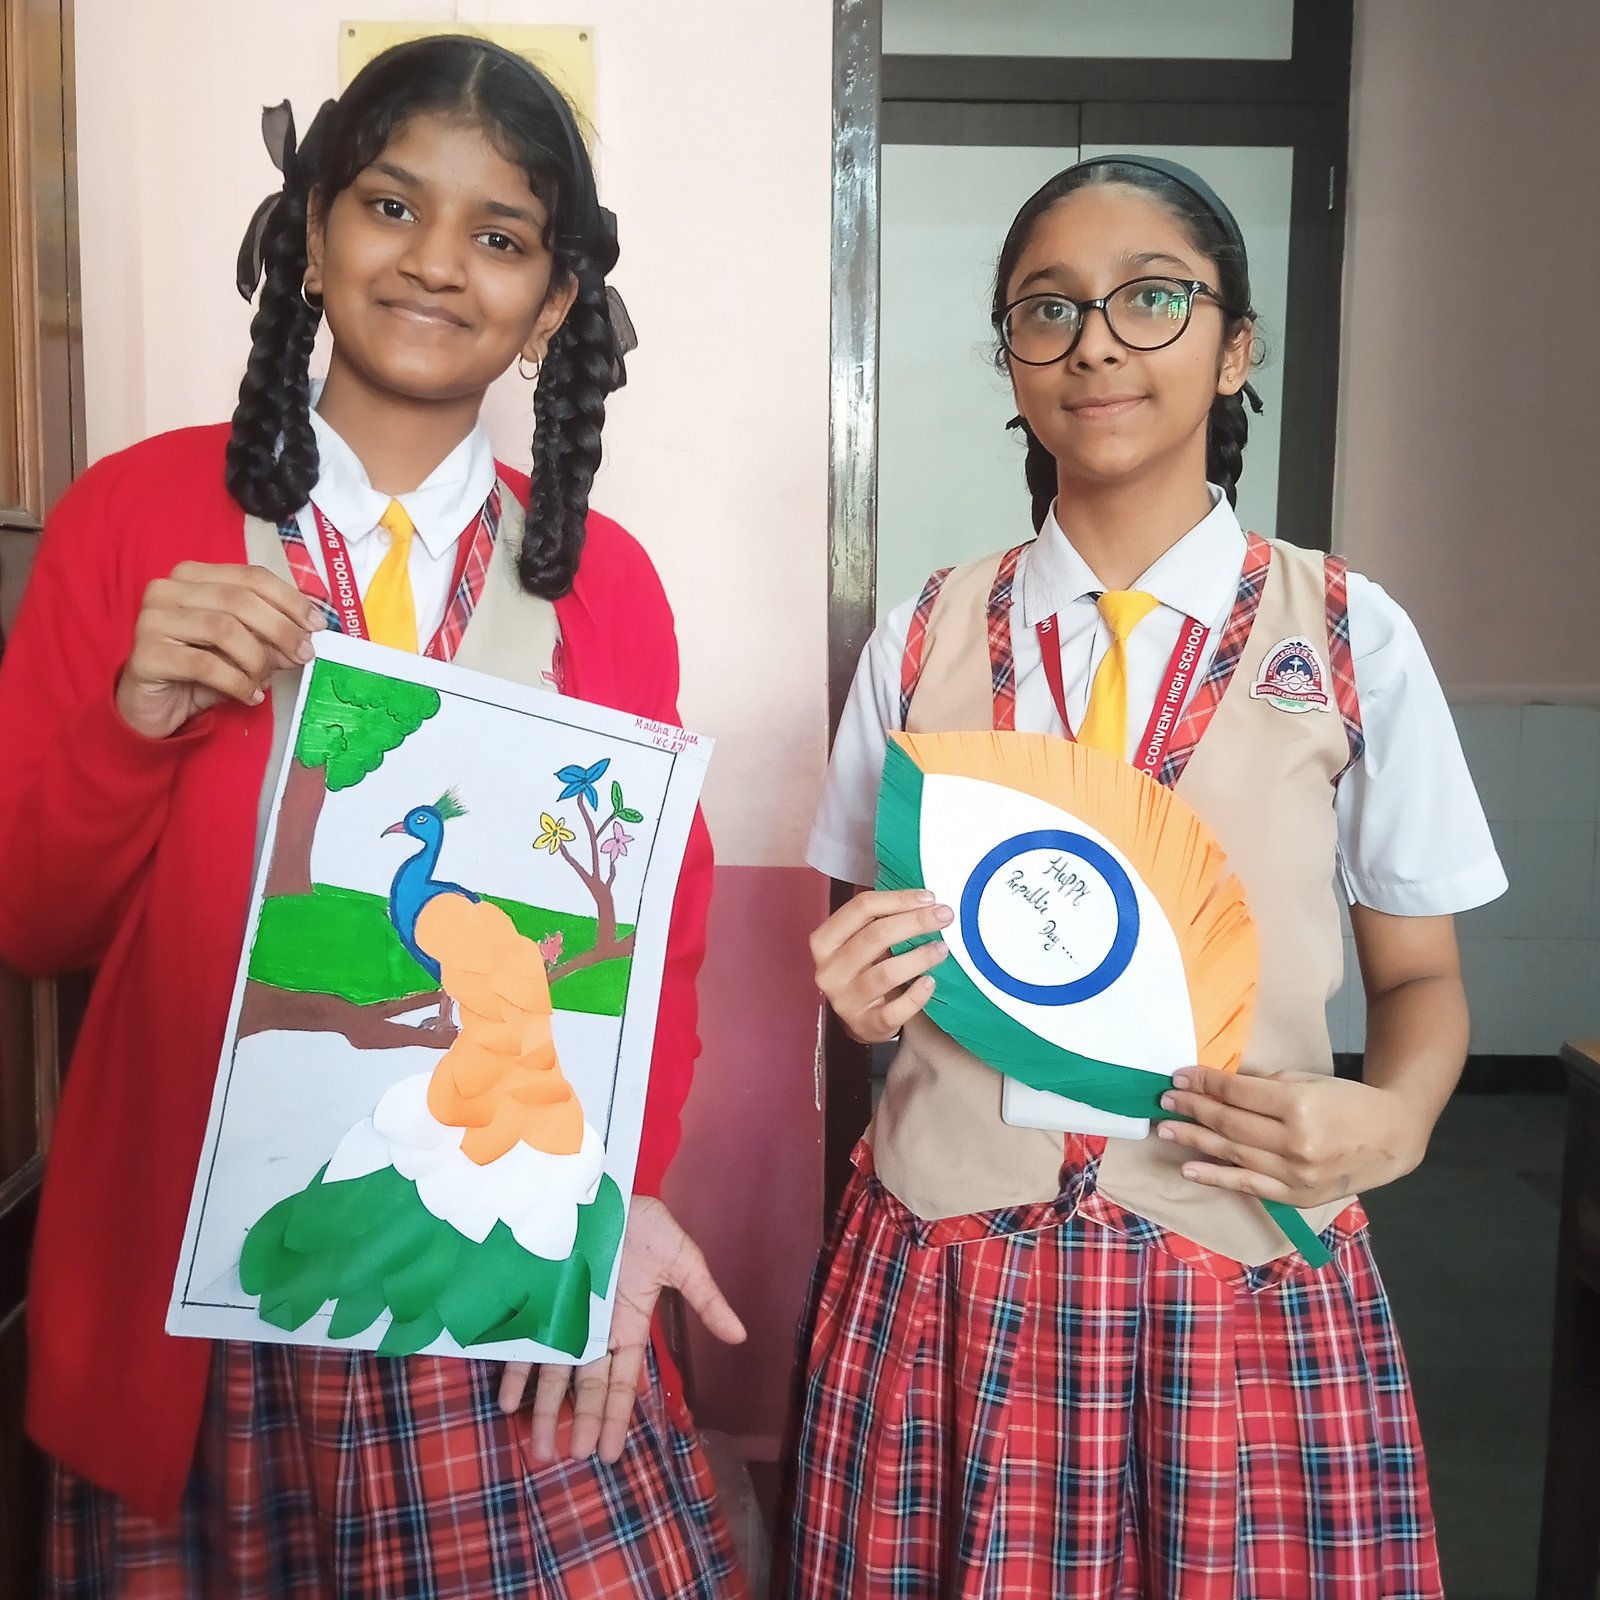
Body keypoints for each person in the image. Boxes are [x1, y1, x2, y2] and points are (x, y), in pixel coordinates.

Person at [0, 34, 748, 1598]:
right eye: (392, 207)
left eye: (499, 235)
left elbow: (653, 955)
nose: (434, 263)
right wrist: (135, 719)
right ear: (313, 233)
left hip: (492, 1262)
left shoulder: (604, 583)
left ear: (552, 304)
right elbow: (32, 922)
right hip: (200, 1303)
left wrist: (619, 1203)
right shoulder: (133, 518)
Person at [780, 156, 1505, 1598]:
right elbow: (864, 950)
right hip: (954, 1267)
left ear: (1236, 347)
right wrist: (852, 997)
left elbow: (1421, 978)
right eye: (1047, 309)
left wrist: (1399, 1117)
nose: (1095, 342)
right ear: (1011, 360)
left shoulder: (1348, 637)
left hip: (1235, 1269)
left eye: (1152, 299)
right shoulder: (922, 636)